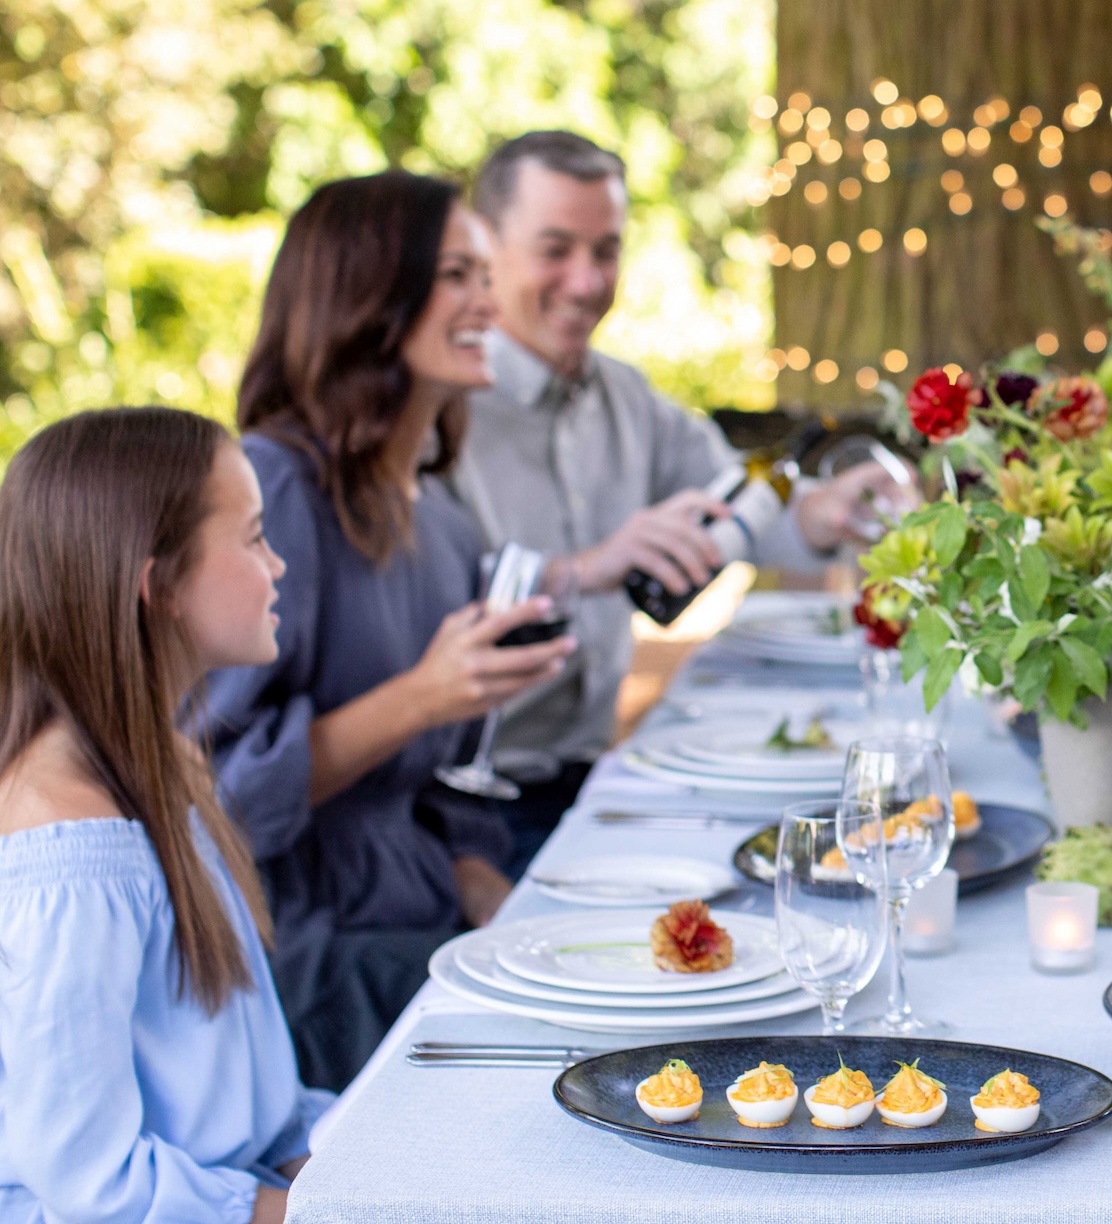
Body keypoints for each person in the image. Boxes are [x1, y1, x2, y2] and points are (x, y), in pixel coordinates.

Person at [447, 130, 911, 869]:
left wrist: (822, 511)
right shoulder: (443, 410)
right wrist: (591, 565)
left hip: (599, 775)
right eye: (555, 249)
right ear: (484, 247)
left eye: (606, 251)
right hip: (461, 815)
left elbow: (742, 505)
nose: (585, 279)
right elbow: (421, 609)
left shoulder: (625, 395)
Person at [202, 172, 573, 1090]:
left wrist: (498, 904)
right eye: (459, 274)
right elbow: (209, 801)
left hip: (420, 912)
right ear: (368, 295)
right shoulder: (274, 491)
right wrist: (420, 698)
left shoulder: (439, 515)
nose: (492, 299)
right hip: (296, 950)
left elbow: (451, 782)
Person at [0, 408, 327, 1223]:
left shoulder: (165, 767)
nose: (278, 563)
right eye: (253, 537)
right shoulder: (68, 848)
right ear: (159, 584)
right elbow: (95, 1187)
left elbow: (251, 1110)